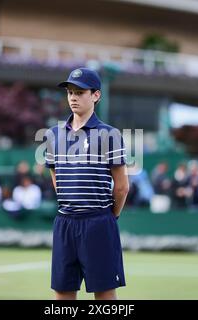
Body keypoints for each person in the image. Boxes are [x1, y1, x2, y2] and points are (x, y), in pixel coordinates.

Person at [44, 67, 129, 300]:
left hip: (98, 223)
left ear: (96, 95)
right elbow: (56, 179)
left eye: (80, 92)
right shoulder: (53, 135)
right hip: (65, 223)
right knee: (62, 292)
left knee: (104, 294)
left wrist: (109, 217)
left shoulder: (110, 134)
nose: (73, 97)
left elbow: (122, 187)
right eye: (70, 92)